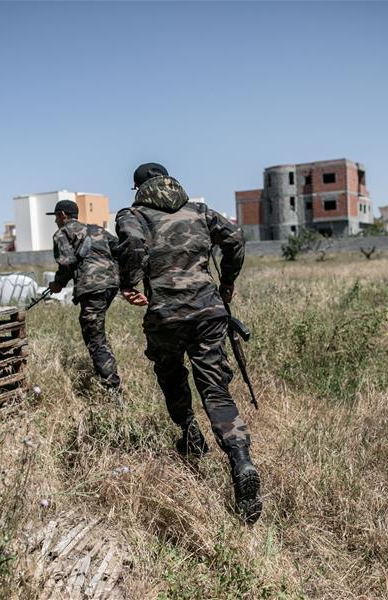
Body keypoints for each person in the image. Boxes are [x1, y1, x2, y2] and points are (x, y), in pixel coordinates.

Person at [115, 162, 262, 523]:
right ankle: (241, 460)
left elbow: (132, 243)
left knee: (170, 374)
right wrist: (227, 282)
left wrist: (129, 283)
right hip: (208, 312)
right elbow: (235, 239)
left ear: (138, 189)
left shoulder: (133, 214)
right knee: (216, 390)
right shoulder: (199, 210)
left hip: (165, 315)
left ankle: (189, 431)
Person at [47, 199, 122, 396]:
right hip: (112, 285)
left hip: (92, 288)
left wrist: (58, 283)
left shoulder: (62, 233)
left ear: (62, 214)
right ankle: (109, 377)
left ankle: (112, 389)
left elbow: (67, 262)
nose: (55, 221)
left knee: (94, 337)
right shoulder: (97, 230)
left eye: (56, 216)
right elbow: (120, 249)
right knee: (96, 329)